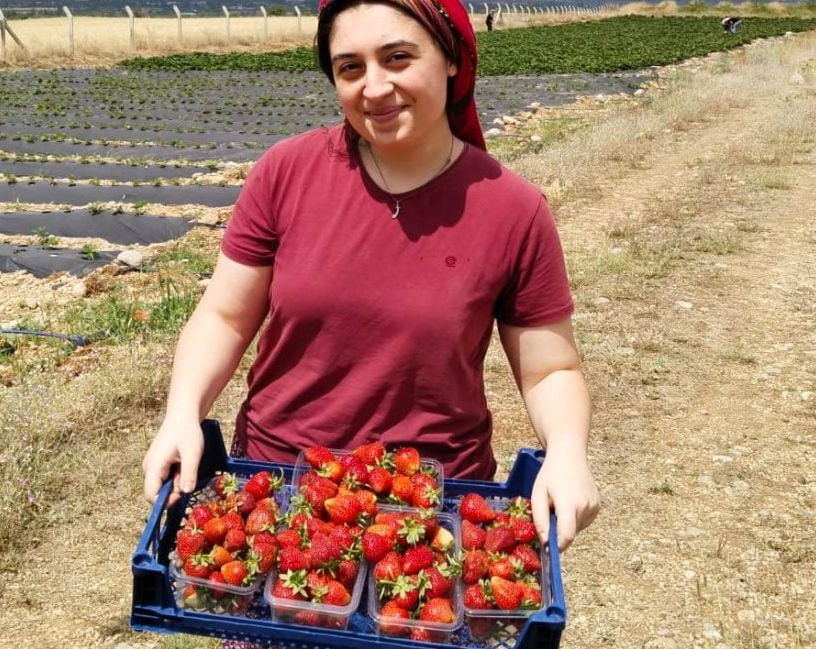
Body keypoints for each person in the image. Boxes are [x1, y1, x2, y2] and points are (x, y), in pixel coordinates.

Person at [142, 0, 599, 562]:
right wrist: (182, 412)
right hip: (279, 489)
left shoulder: (512, 209)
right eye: (350, 68)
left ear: (451, 57)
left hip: (432, 504)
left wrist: (567, 451)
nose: (375, 88)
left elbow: (550, 367)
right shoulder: (287, 172)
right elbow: (225, 317)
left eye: (398, 57)